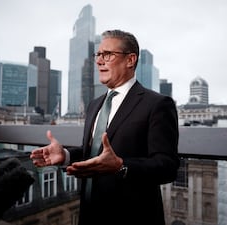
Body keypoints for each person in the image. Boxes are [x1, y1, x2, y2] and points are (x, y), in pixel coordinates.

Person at [30, 29, 179, 225]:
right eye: (98, 55)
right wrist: (65, 156)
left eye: (107, 54)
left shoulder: (157, 104)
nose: (99, 61)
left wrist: (121, 166)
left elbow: (167, 167)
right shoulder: (94, 105)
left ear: (130, 60)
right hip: (90, 214)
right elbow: (94, 155)